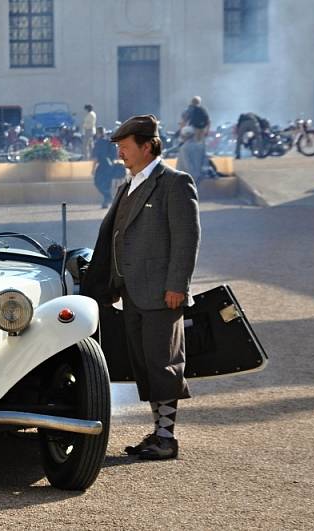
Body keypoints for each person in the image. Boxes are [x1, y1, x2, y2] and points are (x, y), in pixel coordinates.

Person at [81, 114, 200, 460]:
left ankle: (166, 438)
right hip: (132, 292)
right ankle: (157, 432)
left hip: (163, 292)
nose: (119, 151)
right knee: (145, 364)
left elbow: (186, 239)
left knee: (163, 362)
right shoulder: (127, 186)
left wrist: (178, 285)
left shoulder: (175, 183)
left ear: (147, 146)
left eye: (125, 145)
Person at [92, 126, 119, 208]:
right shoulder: (110, 141)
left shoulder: (98, 142)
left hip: (102, 166)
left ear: (99, 133)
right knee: (107, 184)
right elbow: (115, 154)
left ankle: (108, 197)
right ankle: (106, 202)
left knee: (97, 182)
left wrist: (93, 169)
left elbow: (96, 157)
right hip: (111, 166)